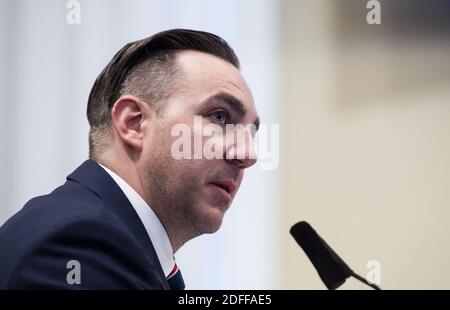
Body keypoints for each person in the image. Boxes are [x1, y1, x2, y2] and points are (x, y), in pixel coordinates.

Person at [0, 29, 259, 289]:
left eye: (251, 133)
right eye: (220, 117)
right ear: (134, 123)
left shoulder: (121, 247)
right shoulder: (80, 244)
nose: (248, 155)